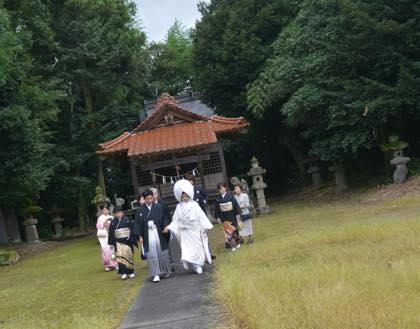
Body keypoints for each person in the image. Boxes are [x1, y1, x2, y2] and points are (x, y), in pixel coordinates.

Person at [163, 180, 213, 274]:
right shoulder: (179, 207)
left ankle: (198, 265)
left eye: (186, 196)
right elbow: (176, 220)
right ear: (180, 197)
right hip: (185, 232)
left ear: (189, 195)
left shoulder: (195, 205)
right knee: (187, 249)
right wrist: (169, 227)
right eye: (183, 196)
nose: (185, 198)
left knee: (198, 248)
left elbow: (201, 216)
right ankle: (194, 264)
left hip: (195, 230)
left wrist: (206, 226)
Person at [134, 189, 171, 283]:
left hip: (159, 231)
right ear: (144, 199)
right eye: (147, 199)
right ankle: (156, 274)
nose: (150, 200)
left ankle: (165, 271)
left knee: (161, 251)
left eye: (151, 198)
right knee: (152, 253)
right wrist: (140, 236)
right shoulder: (140, 211)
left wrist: (166, 227)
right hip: (148, 233)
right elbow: (138, 224)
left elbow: (164, 218)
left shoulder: (158, 207)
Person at [108, 206, 137, 280]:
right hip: (118, 242)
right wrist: (111, 243)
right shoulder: (113, 222)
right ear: (114, 214)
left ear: (122, 212)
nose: (118, 214)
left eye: (120, 212)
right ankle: (123, 273)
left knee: (129, 256)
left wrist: (130, 238)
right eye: (117, 213)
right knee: (120, 257)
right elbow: (111, 233)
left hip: (127, 240)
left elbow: (132, 229)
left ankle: (131, 272)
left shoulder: (127, 220)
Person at [215, 182, 242, 251]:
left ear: (225, 188)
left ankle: (238, 242)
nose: (221, 190)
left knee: (234, 229)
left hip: (231, 215)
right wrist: (218, 217)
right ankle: (232, 245)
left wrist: (238, 213)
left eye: (222, 188)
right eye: (219, 189)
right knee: (227, 232)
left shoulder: (230, 196)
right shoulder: (218, 199)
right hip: (224, 217)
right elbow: (217, 209)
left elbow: (235, 204)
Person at [96, 207, 118, 271]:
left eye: (107, 210)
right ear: (102, 211)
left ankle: (115, 264)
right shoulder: (100, 218)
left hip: (110, 235)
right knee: (105, 249)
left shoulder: (111, 217)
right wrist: (104, 223)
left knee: (112, 249)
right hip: (104, 236)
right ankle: (107, 265)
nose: (106, 211)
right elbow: (98, 226)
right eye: (104, 210)